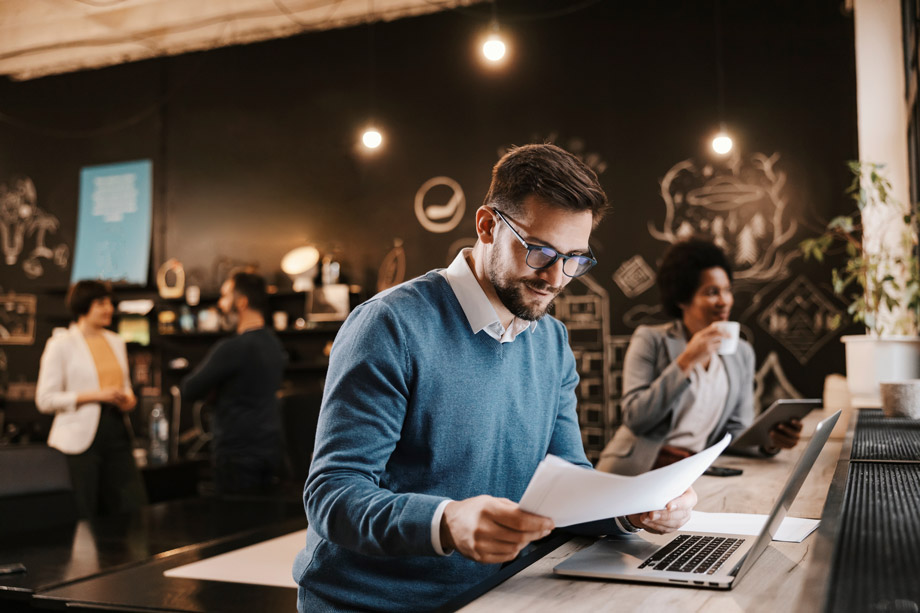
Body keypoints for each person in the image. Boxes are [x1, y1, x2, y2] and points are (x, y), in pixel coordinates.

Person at [292, 144, 697, 612]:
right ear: (487, 225)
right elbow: (332, 494)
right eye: (540, 251)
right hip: (373, 602)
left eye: (575, 259)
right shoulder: (389, 325)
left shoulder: (552, 341)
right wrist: (447, 521)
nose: (556, 278)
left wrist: (632, 509)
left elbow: (566, 485)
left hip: (497, 594)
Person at [595, 238, 802, 476]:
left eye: (727, 290)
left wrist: (769, 442)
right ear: (682, 298)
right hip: (635, 470)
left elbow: (734, 431)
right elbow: (636, 418)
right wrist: (687, 360)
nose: (724, 301)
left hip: (691, 472)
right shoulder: (650, 339)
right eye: (712, 292)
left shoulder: (741, 353)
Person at [35, 280, 147, 518]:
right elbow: (45, 399)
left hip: (117, 432)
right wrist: (96, 396)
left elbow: (125, 385)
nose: (108, 309)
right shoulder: (61, 344)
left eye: (109, 303)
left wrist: (128, 399)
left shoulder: (116, 341)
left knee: (133, 507)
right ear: (83, 306)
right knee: (84, 513)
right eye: (101, 303)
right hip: (79, 440)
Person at [181, 271, 285, 494]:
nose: (220, 304)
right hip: (271, 449)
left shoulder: (233, 348)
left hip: (237, 454)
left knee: (235, 524)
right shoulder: (274, 344)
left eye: (225, 296)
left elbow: (188, 389)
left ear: (242, 302)